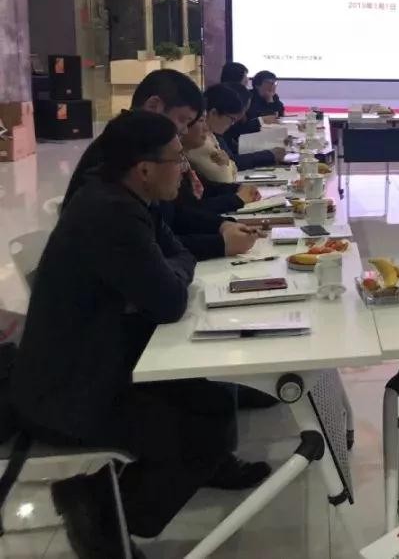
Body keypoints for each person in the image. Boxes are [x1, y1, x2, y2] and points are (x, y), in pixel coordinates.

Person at [12, 112, 256, 555]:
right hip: (70, 390)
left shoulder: (131, 198)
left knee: (216, 401)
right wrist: (171, 271)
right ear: (144, 169)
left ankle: (160, 488)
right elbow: (170, 300)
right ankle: (99, 512)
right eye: (177, 159)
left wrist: (170, 268)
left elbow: (178, 257)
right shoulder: (110, 213)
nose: (184, 167)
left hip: (101, 358)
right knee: (195, 432)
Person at [63, 69, 260, 259]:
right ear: (153, 106)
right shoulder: (117, 155)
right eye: (182, 120)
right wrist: (220, 243)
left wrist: (222, 226)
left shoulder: (141, 147)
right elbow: (149, 247)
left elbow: (174, 216)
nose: (184, 131)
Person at [219, 81, 286, 170]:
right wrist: (269, 155)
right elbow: (232, 161)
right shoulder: (219, 130)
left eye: (274, 83)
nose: (242, 116)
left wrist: (270, 99)